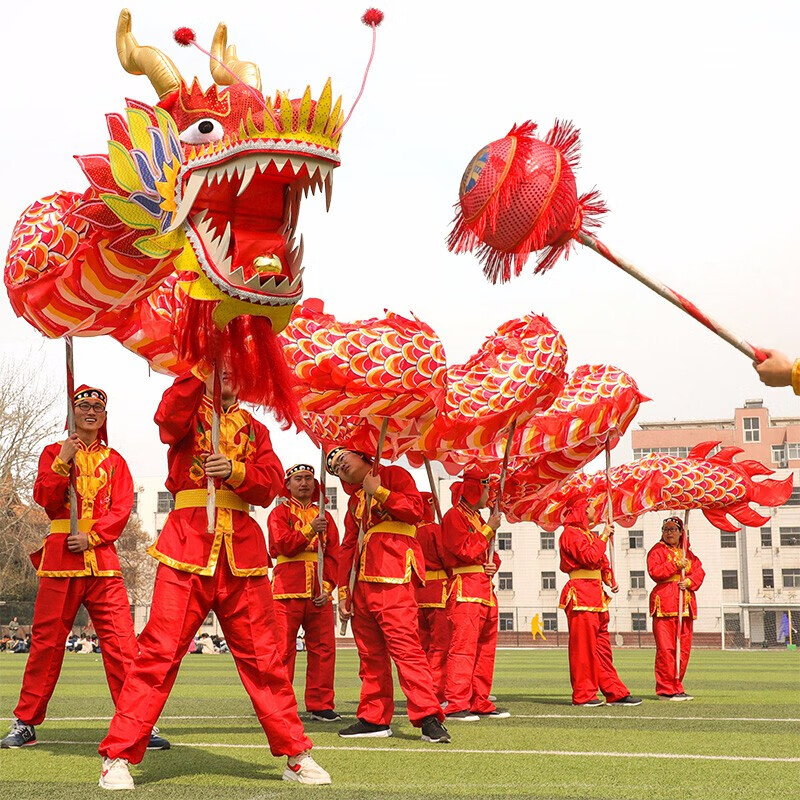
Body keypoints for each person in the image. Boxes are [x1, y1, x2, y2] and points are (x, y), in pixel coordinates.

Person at [96, 369, 329, 788]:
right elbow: (167, 421)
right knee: (158, 653)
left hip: (242, 553)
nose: (227, 373)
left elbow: (270, 485)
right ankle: (117, 755)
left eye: (234, 366)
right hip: (187, 544)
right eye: (219, 365)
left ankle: (296, 753)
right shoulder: (187, 409)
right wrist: (198, 371)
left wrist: (236, 471)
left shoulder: (255, 429)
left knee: (265, 659)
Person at [0, 386, 169, 752]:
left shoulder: (115, 461)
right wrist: (63, 461)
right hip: (60, 560)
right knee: (46, 644)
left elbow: (120, 509)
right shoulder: (53, 452)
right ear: (71, 412)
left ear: (104, 417)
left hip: (102, 562)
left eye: (97, 407)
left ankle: (138, 721)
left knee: (123, 644)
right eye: (83, 406)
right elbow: (45, 500)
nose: (91, 411)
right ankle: (26, 722)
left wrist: (92, 537)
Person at [330, 447, 450, 743]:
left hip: (394, 573)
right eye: (334, 468)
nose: (339, 465)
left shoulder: (395, 475)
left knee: (406, 648)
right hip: (361, 582)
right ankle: (374, 718)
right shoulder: (354, 501)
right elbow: (347, 547)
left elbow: (415, 511)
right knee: (369, 655)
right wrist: (344, 592)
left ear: (363, 456)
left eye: (343, 458)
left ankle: (428, 716)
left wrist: (381, 492)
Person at [268, 463, 341, 722]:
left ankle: (321, 704)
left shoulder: (326, 517)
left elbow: (334, 555)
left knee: (324, 649)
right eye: (298, 478)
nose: (304, 483)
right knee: (282, 650)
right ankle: (279, 704)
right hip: (286, 590)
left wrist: (328, 586)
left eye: (309, 478)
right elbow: (282, 545)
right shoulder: (278, 514)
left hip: (319, 592)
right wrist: (310, 529)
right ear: (287, 485)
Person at [558, 497, 642, 707]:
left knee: (602, 649)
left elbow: (601, 562)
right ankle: (584, 694)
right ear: (581, 510)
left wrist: (609, 579)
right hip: (581, 595)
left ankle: (614, 691)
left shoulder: (588, 535)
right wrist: (604, 536)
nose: (594, 510)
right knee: (583, 649)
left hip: (596, 595)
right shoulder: (570, 534)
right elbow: (589, 557)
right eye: (590, 507)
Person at [440, 468, 509, 721]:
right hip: (465, 589)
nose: (490, 495)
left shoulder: (478, 519)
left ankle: (479, 700)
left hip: (484, 588)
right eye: (487, 489)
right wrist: (489, 529)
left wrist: (493, 565)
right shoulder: (454, 516)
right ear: (475, 489)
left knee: (485, 652)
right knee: (463, 649)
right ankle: (456, 703)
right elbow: (465, 550)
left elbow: (491, 555)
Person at [647, 516, 705, 700]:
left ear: (681, 532)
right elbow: (655, 572)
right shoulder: (657, 550)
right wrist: (674, 565)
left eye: (673, 529)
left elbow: (699, 572)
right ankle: (665, 689)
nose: (669, 532)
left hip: (684, 603)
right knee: (666, 649)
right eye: (666, 529)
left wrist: (688, 582)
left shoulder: (688, 553)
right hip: (665, 603)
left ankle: (677, 686)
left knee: (683, 649)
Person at [414, 492, 450, 704]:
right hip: (439, 592)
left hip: (416, 594)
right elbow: (448, 559)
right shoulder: (435, 529)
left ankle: (422, 692)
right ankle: (437, 692)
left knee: (421, 647)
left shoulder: (410, 532)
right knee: (440, 647)